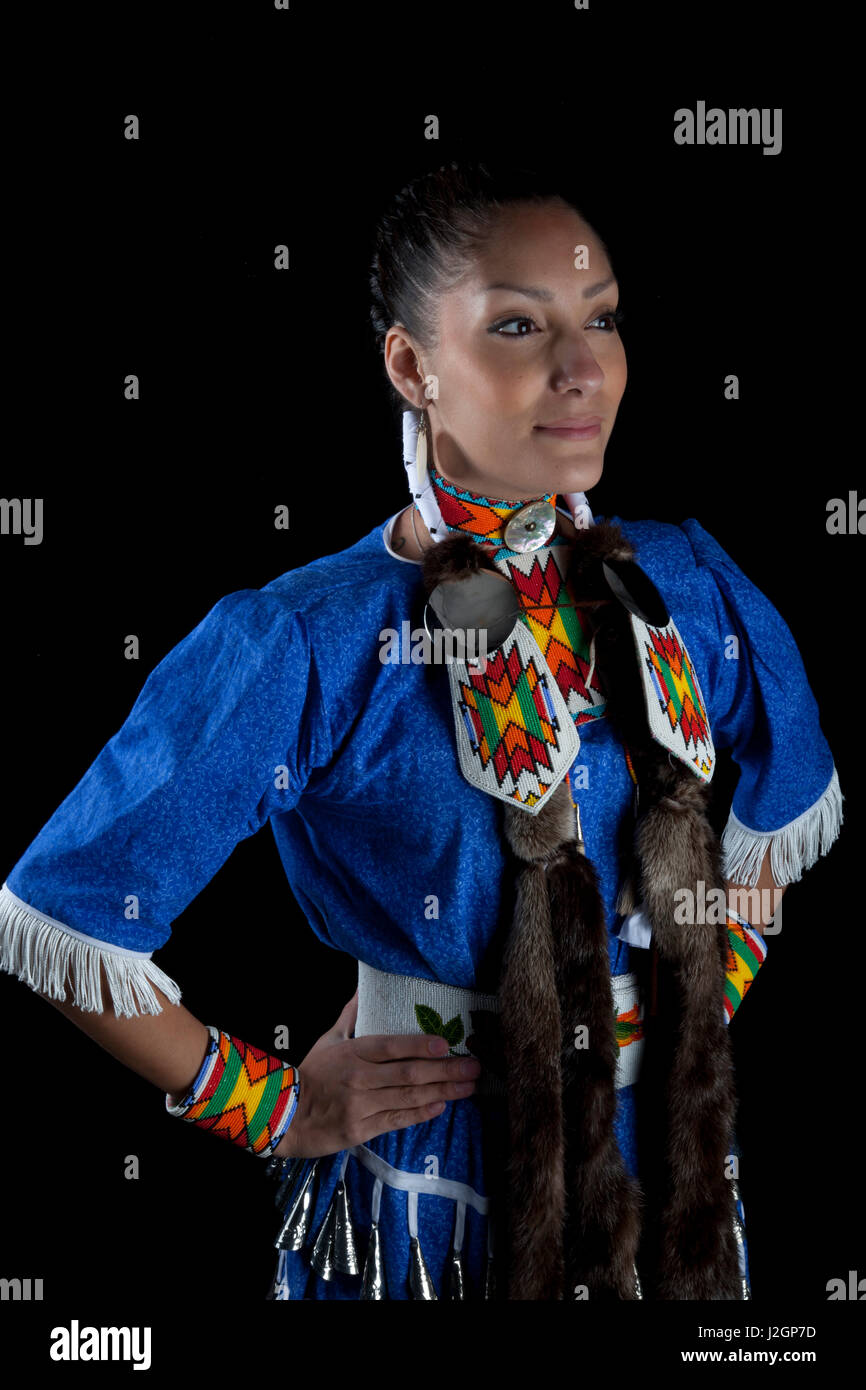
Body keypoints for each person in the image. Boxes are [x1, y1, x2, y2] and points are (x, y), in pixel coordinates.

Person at [0, 162, 843, 1301]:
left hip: (664, 1171)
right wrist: (276, 1107)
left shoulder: (684, 586)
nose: (580, 368)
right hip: (433, 1191)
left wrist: (678, 1007)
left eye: (599, 320)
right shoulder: (309, 639)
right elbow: (63, 909)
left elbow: (771, 828)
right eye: (514, 325)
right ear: (411, 365)